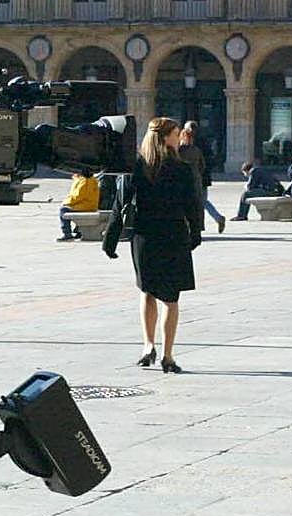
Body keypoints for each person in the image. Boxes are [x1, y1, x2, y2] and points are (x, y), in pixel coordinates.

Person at [104, 116, 201, 374]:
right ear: (165, 137)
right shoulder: (182, 168)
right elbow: (193, 204)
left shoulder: (138, 167)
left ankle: (148, 346)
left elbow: (120, 203)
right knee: (170, 298)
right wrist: (196, 233)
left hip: (144, 236)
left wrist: (111, 237)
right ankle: (168, 355)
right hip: (173, 235)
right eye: (176, 133)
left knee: (147, 292)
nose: (179, 137)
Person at [179, 122, 225, 234]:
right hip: (201, 177)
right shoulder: (203, 142)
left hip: (191, 179)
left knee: (198, 202)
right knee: (201, 201)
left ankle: (201, 224)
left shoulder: (182, 149)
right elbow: (205, 162)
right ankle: (209, 221)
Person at [57, 167, 100, 242]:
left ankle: (67, 234)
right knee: (68, 208)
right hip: (87, 204)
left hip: (86, 205)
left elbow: (79, 195)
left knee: (63, 210)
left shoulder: (85, 180)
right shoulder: (86, 179)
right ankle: (78, 231)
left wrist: (66, 202)